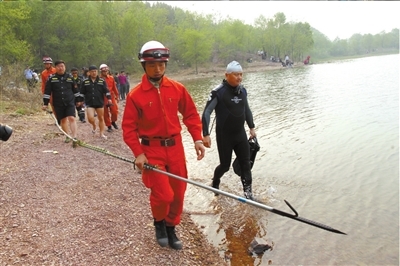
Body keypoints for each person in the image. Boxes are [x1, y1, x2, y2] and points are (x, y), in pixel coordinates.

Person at [122, 40, 205, 250]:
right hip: (152, 151)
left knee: (178, 192)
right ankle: (159, 223)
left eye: (161, 65)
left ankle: (171, 227)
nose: (157, 69)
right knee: (163, 194)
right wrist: (138, 153)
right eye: (152, 65)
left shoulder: (177, 89)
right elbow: (128, 129)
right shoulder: (136, 95)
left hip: (175, 148)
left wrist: (197, 138)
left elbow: (191, 115)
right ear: (144, 66)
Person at [201, 61, 257, 200]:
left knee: (246, 165)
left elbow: (246, 109)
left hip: (240, 134)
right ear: (227, 75)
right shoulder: (218, 92)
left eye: (241, 74)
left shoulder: (243, 91)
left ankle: (248, 195)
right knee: (225, 166)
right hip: (224, 135)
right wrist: (206, 134)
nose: (239, 77)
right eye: (236, 74)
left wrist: (251, 127)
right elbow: (207, 112)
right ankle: (215, 181)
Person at [42, 60, 82, 143]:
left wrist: (78, 100)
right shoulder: (51, 78)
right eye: (59, 66)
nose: (61, 68)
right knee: (63, 120)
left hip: (69, 101)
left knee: (72, 118)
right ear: (55, 67)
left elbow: (75, 89)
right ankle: (67, 136)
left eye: (62, 66)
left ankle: (74, 137)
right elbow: (47, 92)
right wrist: (45, 103)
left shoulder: (70, 77)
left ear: (65, 67)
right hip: (58, 102)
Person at [80, 65, 112, 139]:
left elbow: (106, 91)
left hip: (99, 102)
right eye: (92, 71)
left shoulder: (102, 81)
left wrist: (109, 98)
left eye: (95, 71)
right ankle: (94, 125)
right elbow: (81, 92)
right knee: (90, 118)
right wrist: (80, 101)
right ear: (89, 73)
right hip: (89, 102)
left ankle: (101, 133)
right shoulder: (85, 81)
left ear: (97, 72)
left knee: (101, 118)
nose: (94, 73)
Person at [99, 64, 119, 132]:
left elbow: (114, 87)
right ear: (101, 71)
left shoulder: (111, 78)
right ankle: (109, 125)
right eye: (104, 71)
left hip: (111, 96)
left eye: (106, 71)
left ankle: (113, 121)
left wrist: (117, 95)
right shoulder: (99, 79)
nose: (105, 72)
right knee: (105, 113)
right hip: (102, 97)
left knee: (115, 111)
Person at [41, 56, 58, 123]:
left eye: (48, 64)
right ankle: (57, 120)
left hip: (57, 90)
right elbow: (44, 83)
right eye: (45, 64)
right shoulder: (43, 73)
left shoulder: (55, 70)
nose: (46, 65)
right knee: (53, 106)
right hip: (49, 92)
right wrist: (44, 92)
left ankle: (61, 118)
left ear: (51, 64)